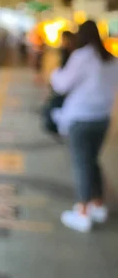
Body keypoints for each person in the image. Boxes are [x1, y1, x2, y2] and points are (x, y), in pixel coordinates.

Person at [50, 20, 118, 232]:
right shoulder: (112, 60)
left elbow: (61, 84)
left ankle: (82, 212)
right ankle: (98, 204)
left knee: (82, 164)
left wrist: (54, 73)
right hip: (102, 119)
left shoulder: (81, 57)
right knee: (92, 161)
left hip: (81, 119)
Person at [42, 31, 77, 135]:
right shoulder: (74, 53)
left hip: (69, 90)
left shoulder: (77, 56)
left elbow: (63, 84)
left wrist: (55, 79)